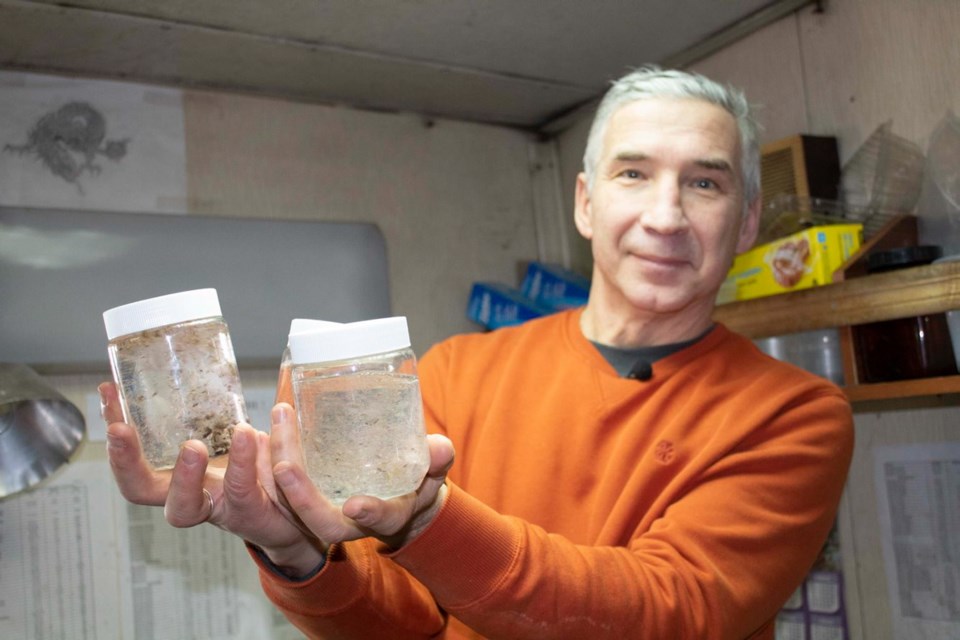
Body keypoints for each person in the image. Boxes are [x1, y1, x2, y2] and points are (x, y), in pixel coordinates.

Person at [99, 65, 854, 639]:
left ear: (747, 219)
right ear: (587, 203)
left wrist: (429, 522)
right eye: (634, 173)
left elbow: (667, 611)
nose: (664, 215)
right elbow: (403, 624)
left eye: (705, 183)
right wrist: (291, 549)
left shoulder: (795, 416)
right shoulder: (461, 370)